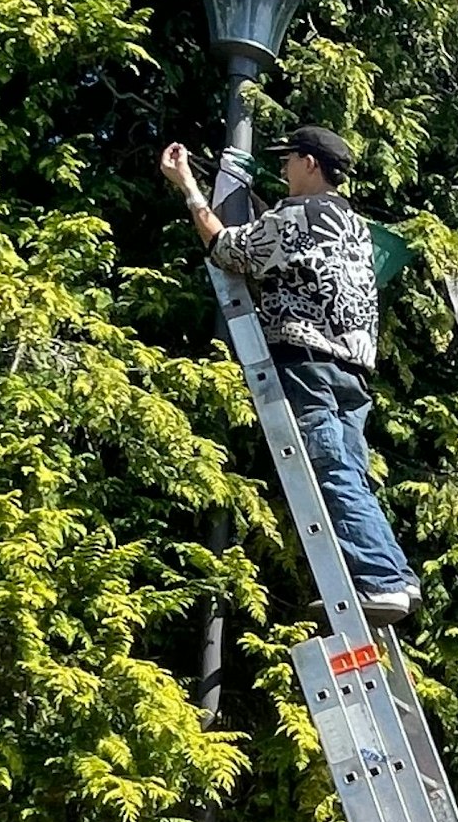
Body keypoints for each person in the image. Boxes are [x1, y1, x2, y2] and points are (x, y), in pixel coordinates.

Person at [160, 124, 422, 625]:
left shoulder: (295, 215)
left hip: (308, 361)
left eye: (289, 159)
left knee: (328, 471)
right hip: (353, 370)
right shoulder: (355, 227)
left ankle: (380, 582)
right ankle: (395, 574)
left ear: (310, 164)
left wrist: (189, 188)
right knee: (351, 473)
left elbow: (228, 250)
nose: (282, 168)